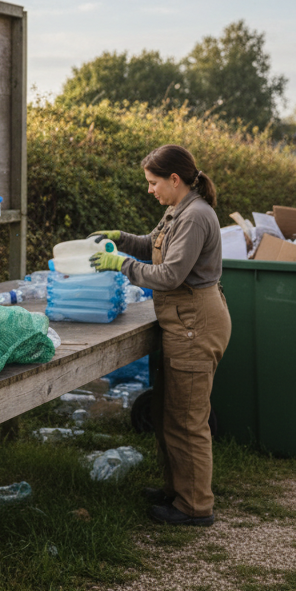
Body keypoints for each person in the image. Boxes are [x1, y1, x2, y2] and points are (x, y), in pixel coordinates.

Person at [87, 144, 231, 527]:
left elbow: (169, 275)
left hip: (195, 323)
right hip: (182, 321)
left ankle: (195, 507)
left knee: (187, 419)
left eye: (153, 183)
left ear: (174, 179)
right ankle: (177, 491)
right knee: (170, 412)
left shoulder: (196, 216)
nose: (150, 190)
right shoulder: (177, 210)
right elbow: (152, 247)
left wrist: (122, 265)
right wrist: (119, 238)